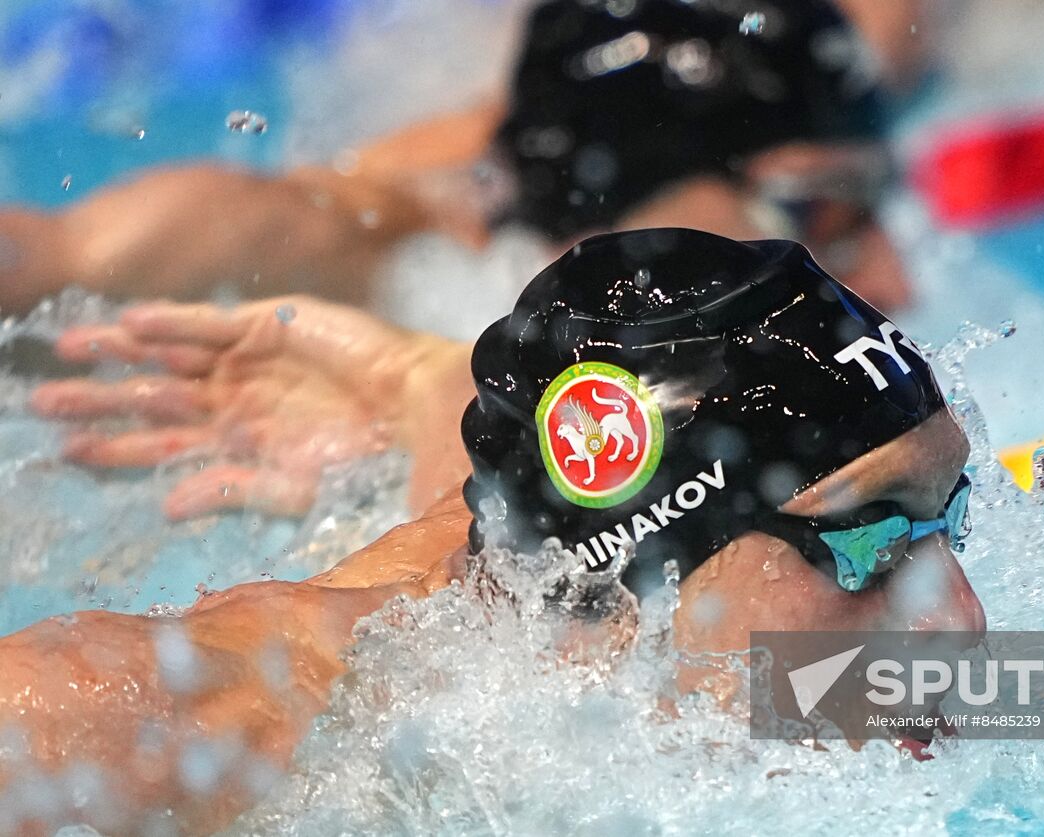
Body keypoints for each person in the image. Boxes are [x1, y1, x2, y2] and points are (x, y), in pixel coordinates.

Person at [4, 229, 983, 834]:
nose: (965, 629)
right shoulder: (260, 729)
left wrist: (425, 384)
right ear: (639, 572)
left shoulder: (661, 642)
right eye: (872, 548)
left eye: (954, 521)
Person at [0, 0, 931, 321]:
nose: (902, 283)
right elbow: (50, 259)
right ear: (634, 197)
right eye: (826, 215)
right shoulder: (372, 253)